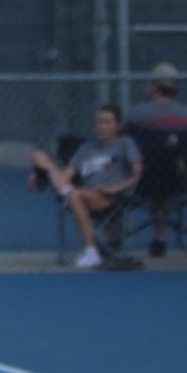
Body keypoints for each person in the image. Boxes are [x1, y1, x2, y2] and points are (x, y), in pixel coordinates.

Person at [29, 104, 143, 268]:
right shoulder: (87, 148)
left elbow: (136, 175)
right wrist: (40, 171)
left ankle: (91, 251)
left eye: (107, 122)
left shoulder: (125, 144)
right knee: (38, 155)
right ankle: (66, 192)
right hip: (83, 193)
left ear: (118, 126)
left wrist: (114, 188)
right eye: (99, 122)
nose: (101, 126)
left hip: (108, 196)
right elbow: (67, 175)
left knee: (73, 194)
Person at [125, 62, 187, 256]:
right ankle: (161, 238)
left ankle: (147, 238)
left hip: (143, 180)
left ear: (154, 86)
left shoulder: (137, 115)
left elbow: (127, 147)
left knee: (155, 182)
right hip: (181, 180)